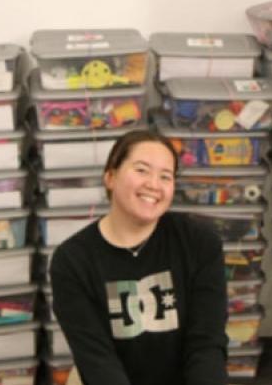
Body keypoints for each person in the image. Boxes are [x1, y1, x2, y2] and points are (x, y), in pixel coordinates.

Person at [50, 130, 228, 385]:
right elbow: (97, 359)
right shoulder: (72, 261)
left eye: (165, 176)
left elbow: (206, 344)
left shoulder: (200, 244)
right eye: (142, 170)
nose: (153, 184)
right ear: (110, 177)